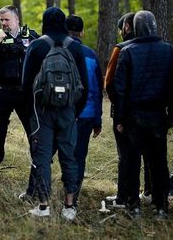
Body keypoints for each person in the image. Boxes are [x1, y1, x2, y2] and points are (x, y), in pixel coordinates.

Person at [21, 7, 89, 221]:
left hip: (42, 113)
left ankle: (43, 206)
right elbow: (84, 86)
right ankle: (69, 206)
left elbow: (25, 85)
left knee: (42, 158)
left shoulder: (37, 45)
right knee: (69, 157)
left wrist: (31, 115)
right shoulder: (76, 47)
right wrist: (74, 112)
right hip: (68, 112)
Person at [111, 11, 173, 219]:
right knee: (159, 162)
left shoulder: (128, 51)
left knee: (132, 162)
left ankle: (134, 206)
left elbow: (120, 89)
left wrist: (120, 118)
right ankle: (161, 206)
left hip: (133, 116)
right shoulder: (168, 50)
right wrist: (171, 114)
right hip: (158, 115)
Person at [0, 5, 39, 183]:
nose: (4, 24)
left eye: (7, 20)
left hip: (25, 92)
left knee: (34, 130)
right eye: (1, 20)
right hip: (3, 92)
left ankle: (38, 167)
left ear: (17, 19)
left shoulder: (31, 36)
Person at [65, 15, 103, 206]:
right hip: (86, 115)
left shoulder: (57, 51)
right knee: (79, 155)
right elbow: (96, 90)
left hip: (61, 114)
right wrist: (98, 120)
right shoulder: (90, 54)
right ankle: (74, 193)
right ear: (81, 32)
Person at [103, 12, 135, 209]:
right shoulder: (161, 47)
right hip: (152, 113)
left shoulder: (121, 49)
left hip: (124, 112)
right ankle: (151, 195)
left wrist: (117, 105)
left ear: (126, 28)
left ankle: (124, 196)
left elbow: (109, 82)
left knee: (125, 156)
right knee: (150, 157)